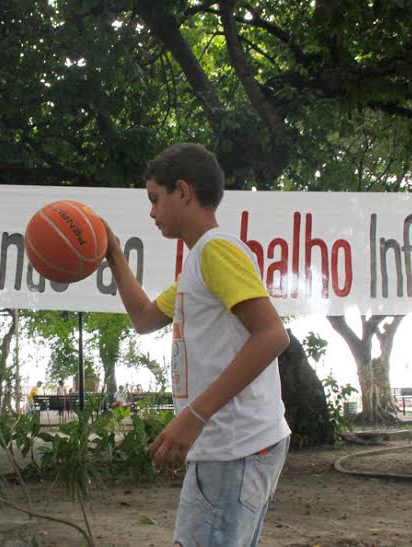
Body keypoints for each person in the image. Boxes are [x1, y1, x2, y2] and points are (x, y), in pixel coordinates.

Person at [103, 143, 291, 546]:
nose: (151, 212)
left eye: (155, 199)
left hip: (234, 447)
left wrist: (195, 416)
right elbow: (144, 318)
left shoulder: (215, 250)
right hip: (233, 447)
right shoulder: (197, 263)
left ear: (183, 192)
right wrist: (113, 254)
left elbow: (273, 335)